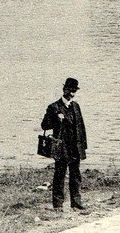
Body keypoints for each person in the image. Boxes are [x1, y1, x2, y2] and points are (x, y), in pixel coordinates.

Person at [41, 77, 87, 210]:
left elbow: (81, 128)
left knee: (75, 175)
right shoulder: (54, 107)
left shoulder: (76, 106)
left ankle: (76, 202)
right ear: (64, 89)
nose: (72, 94)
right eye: (70, 90)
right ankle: (58, 204)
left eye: (74, 91)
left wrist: (83, 147)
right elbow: (44, 125)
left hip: (75, 147)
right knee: (59, 175)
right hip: (61, 147)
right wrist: (56, 118)